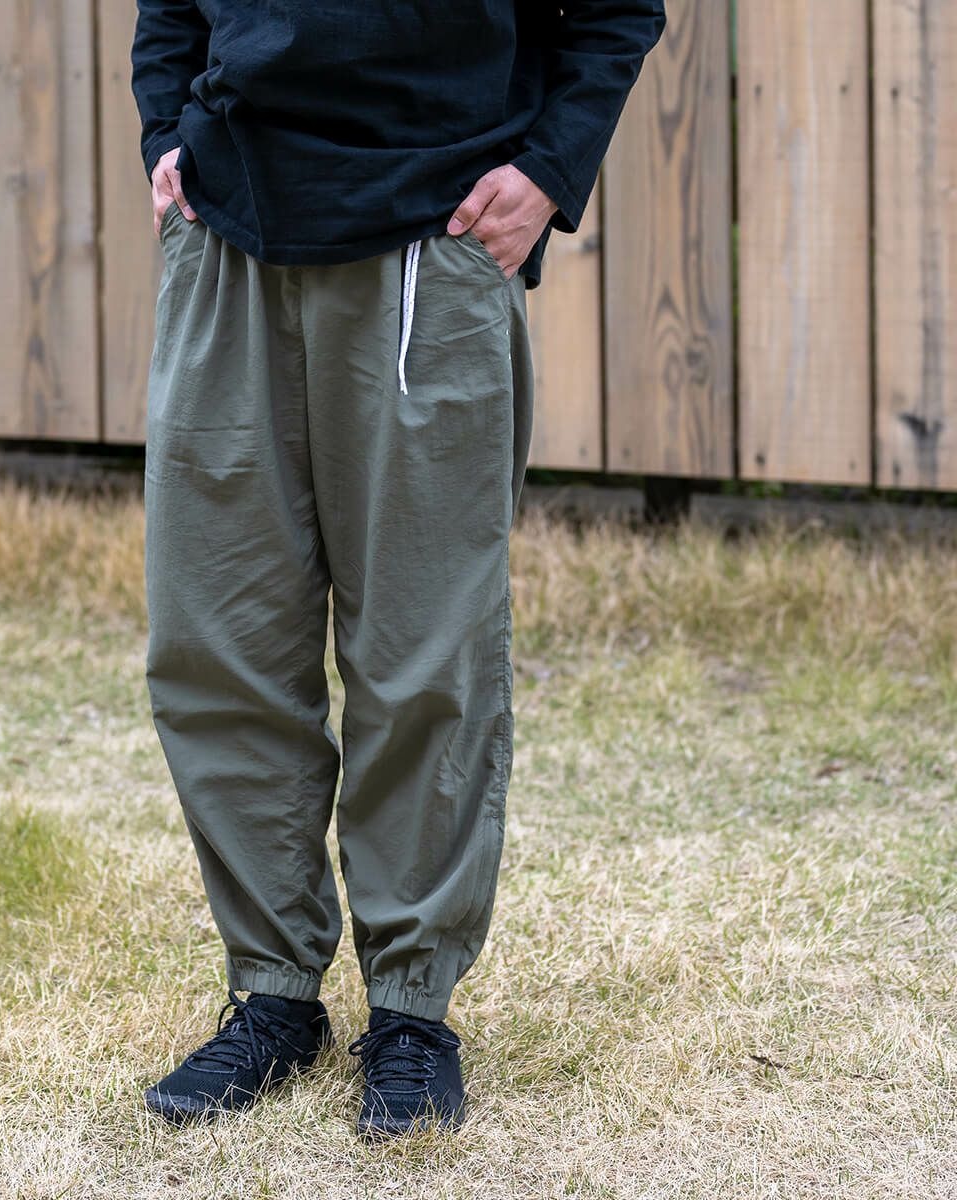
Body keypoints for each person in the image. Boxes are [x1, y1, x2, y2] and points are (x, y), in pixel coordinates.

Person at [132, 0, 665, 1139]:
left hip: (432, 235)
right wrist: (163, 137)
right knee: (217, 641)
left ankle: (412, 1013)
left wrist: (550, 171)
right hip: (229, 231)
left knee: (425, 653)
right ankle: (273, 994)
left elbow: (618, 10)